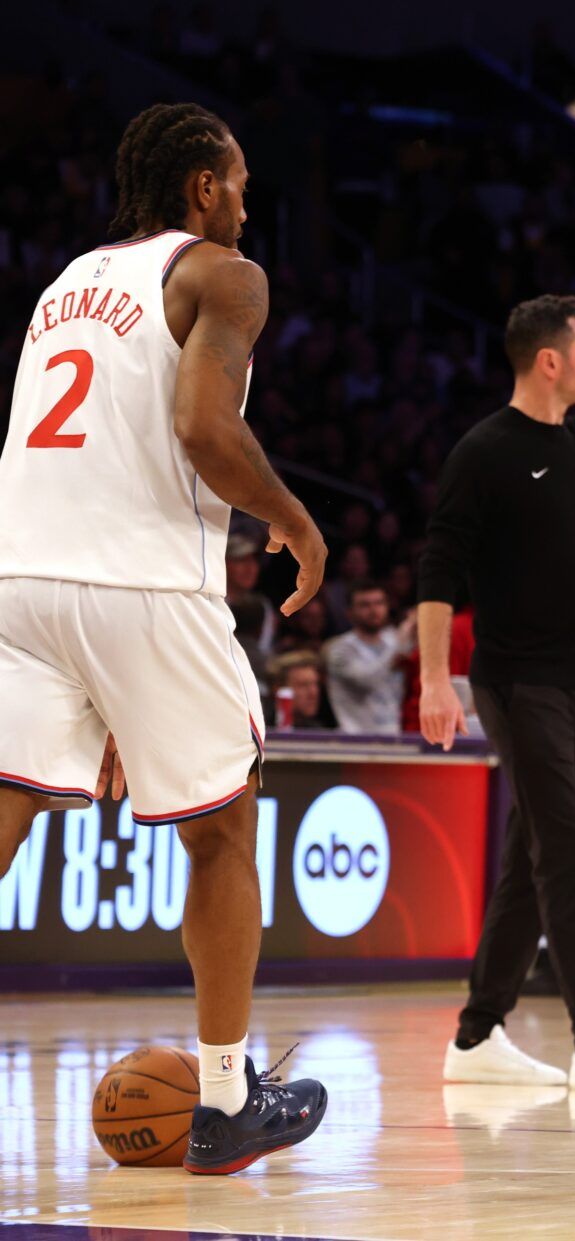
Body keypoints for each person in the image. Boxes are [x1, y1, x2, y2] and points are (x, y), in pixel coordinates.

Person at [0, 102, 328, 1173]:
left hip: (20, 573)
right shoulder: (224, 274)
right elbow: (201, 428)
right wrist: (291, 514)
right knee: (224, 828)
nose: (245, 201)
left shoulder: (63, 285)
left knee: (4, 818)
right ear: (203, 188)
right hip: (140, 574)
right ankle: (230, 1101)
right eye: (237, 182)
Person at [422, 294, 575, 1094]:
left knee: (532, 866)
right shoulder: (483, 451)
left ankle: (477, 1034)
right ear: (550, 360)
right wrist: (433, 680)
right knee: (565, 850)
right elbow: (438, 576)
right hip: (516, 685)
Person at [322, 580, 412, 733]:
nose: (373, 610)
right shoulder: (340, 649)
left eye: (379, 603)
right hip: (357, 740)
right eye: (365, 605)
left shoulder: (392, 640)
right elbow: (367, 680)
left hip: (396, 735)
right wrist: (400, 642)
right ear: (349, 612)